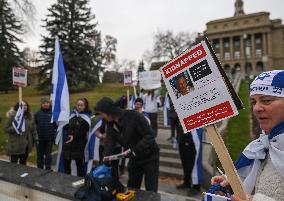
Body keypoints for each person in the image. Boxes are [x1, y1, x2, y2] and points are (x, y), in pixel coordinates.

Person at [211, 70, 284, 201]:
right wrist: (233, 184)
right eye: (253, 102)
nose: (256, 108)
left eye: (266, 100)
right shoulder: (262, 146)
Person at [95, 97, 160, 192]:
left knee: (151, 188)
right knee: (132, 188)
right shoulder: (110, 124)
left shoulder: (134, 116)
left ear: (109, 111)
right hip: (134, 159)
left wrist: (135, 150)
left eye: (102, 114)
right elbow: (110, 144)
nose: (101, 117)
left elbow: (150, 135)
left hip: (150, 157)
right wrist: (105, 162)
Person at [63, 98, 92, 177]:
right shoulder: (71, 116)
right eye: (78, 105)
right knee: (66, 163)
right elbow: (66, 127)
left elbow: (83, 131)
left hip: (79, 145)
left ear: (85, 106)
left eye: (81, 105)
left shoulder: (86, 118)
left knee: (79, 164)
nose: (79, 107)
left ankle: (80, 179)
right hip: (69, 144)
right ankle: (66, 179)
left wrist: (73, 135)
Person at [5, 101, 38, 165]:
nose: (24, 107)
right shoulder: (13, 116)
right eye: (22, 105)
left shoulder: (30, 116)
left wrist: (36, 138)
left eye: (26, 105)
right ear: (18, 107)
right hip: (15, 144)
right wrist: (16, 128)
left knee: (23, 164)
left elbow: (34, 129)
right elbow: (6, 129)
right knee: (13, 164)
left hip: (26, 144)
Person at [34, 97, 56, 170]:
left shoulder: (53, 113)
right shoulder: (37, 113)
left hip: (49, 138)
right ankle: (39, 168)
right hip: (40, 138)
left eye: (47, 103)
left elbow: (55, 125)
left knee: (48, 155)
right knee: (40, 155)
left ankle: (48, 168)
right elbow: (35, 124)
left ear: (50, 103)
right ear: (41, 104)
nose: (46, 104)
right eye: (44, 103)